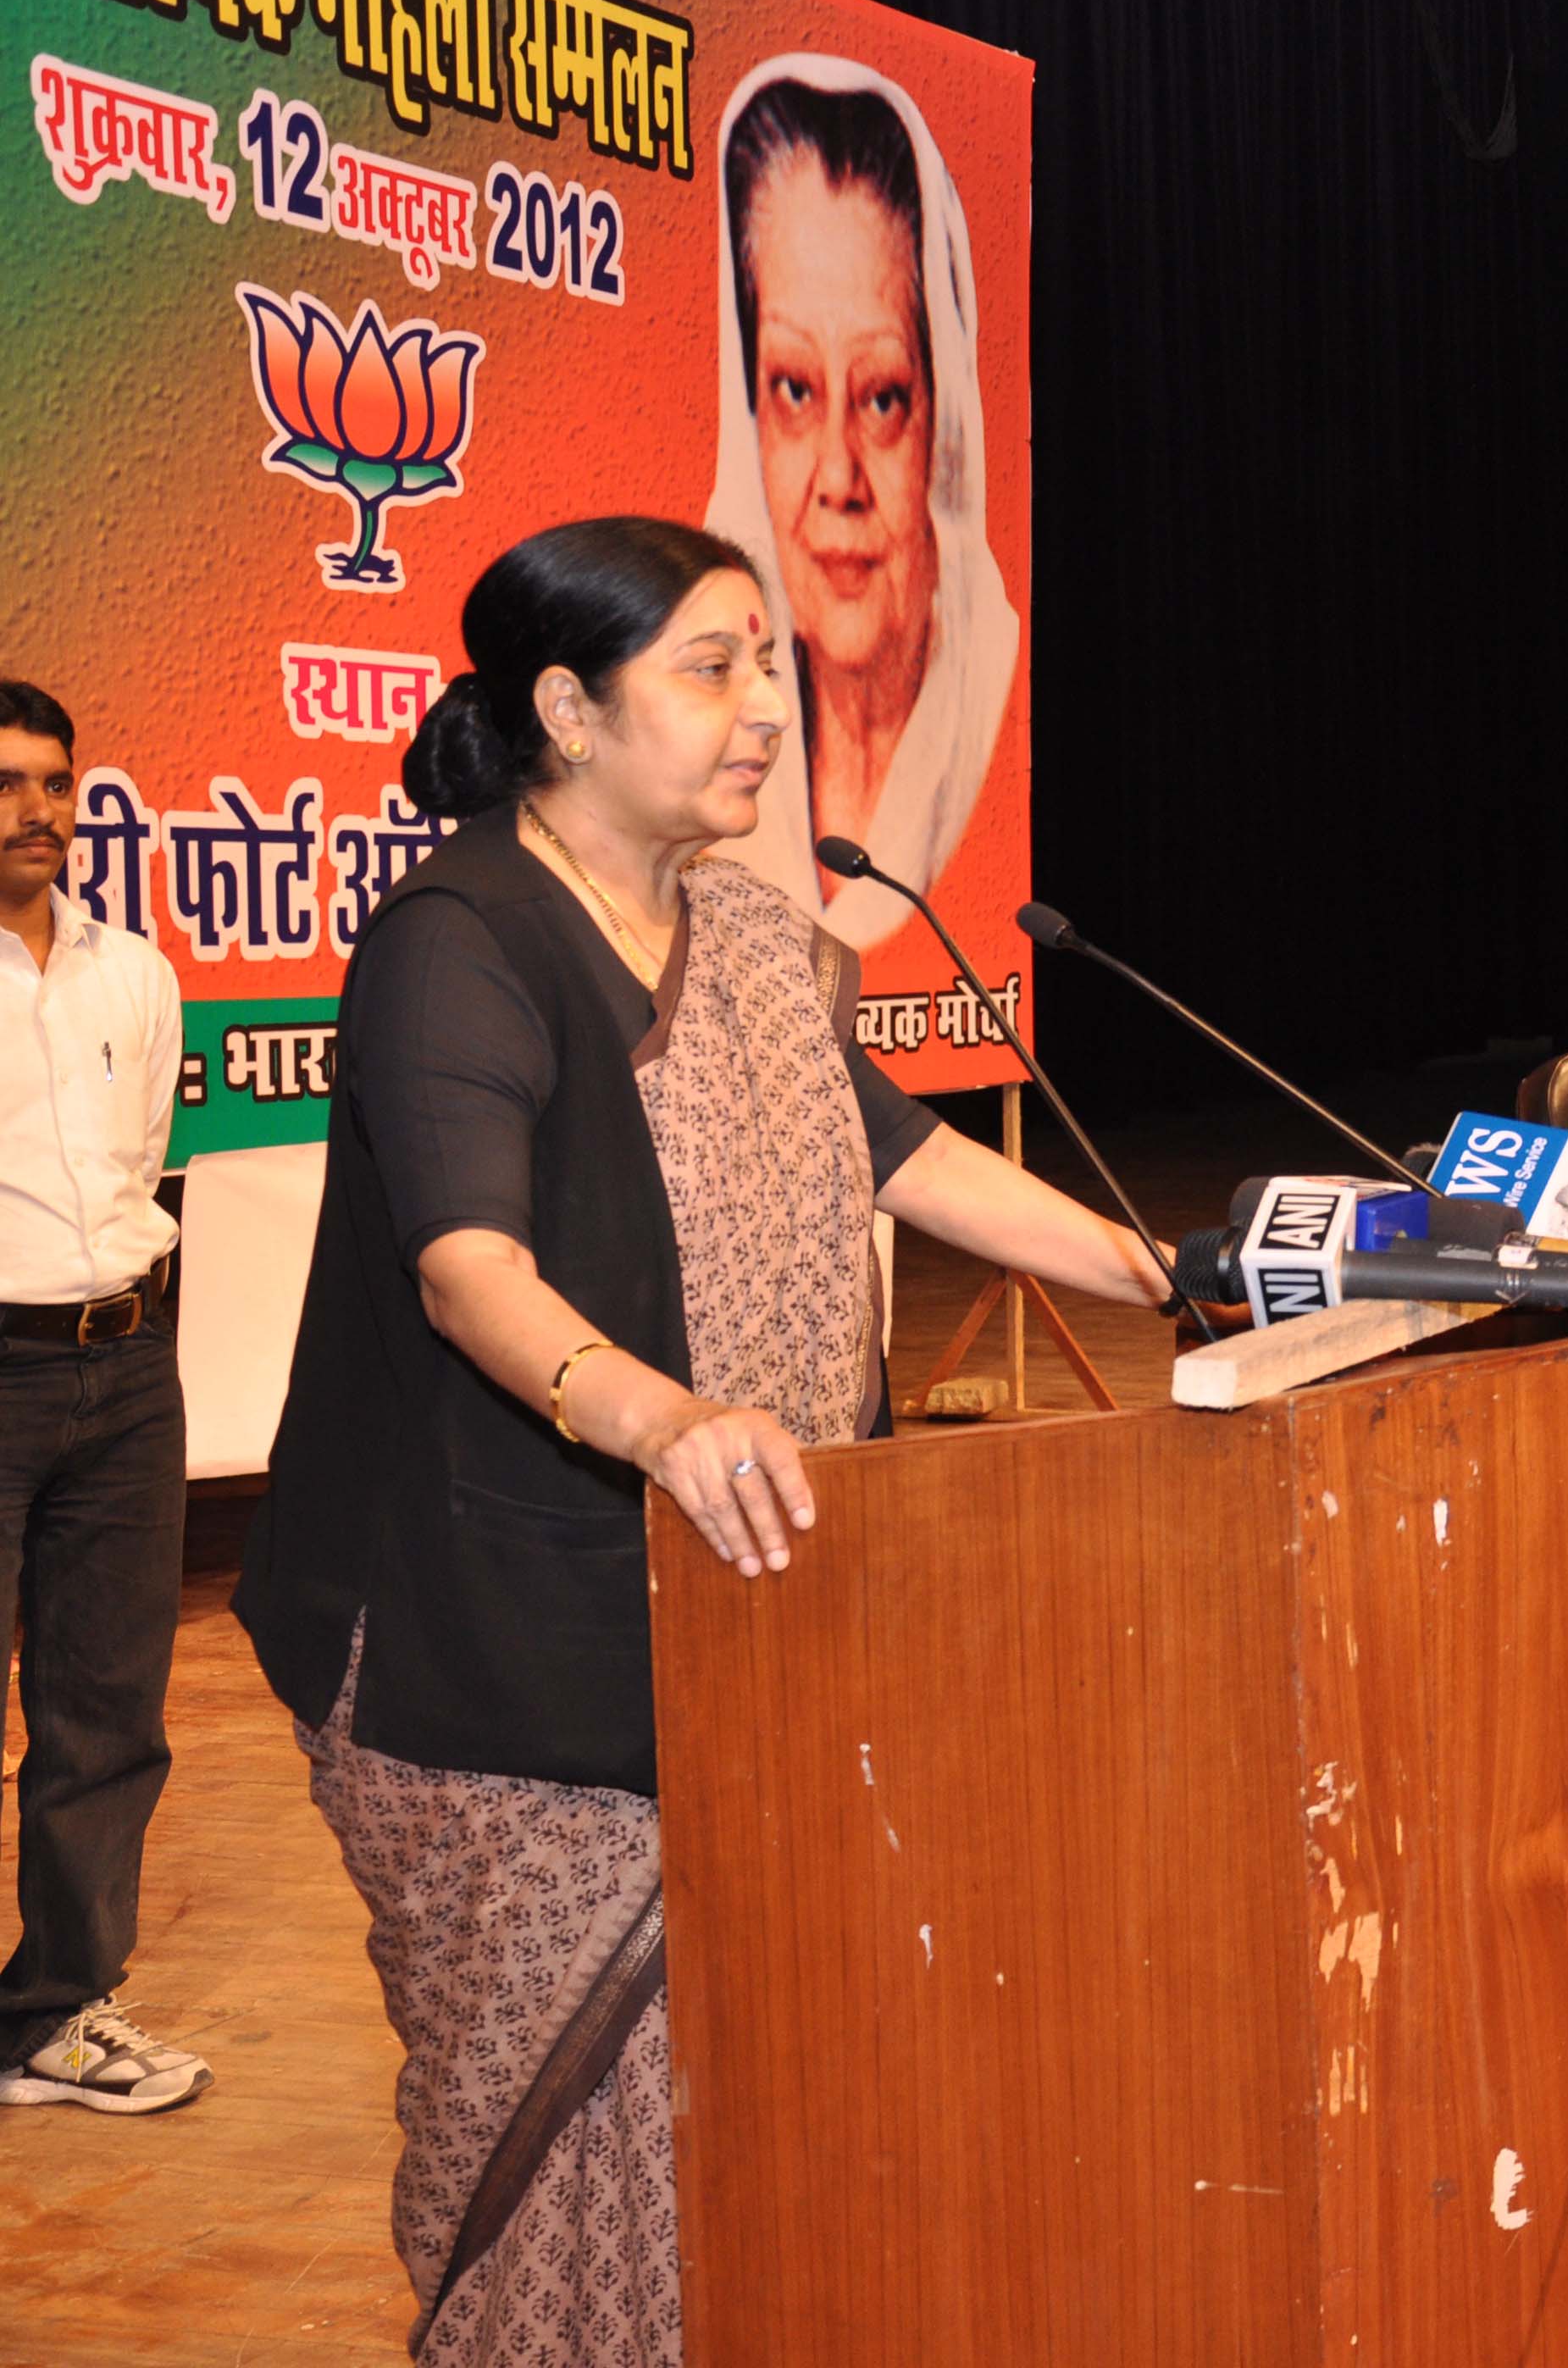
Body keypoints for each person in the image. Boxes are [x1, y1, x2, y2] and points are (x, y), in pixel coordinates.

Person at [231, 519, 1177, 2365]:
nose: (764, 713)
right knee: (557, 2124)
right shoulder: (461, 938)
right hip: (482, 1641)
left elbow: (903, 1155)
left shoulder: (754, 928)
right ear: (567, 709)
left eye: (768, 667)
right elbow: (465, 1268)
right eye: (714, 668)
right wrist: (664, 1419)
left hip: (735, 1595)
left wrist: (1174, 1267)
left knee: (745, 2120)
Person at [0, 679, 208, 2118]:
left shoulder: (133, 966)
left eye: (56, 780)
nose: (37, 809)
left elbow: (138, 1165)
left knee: (107, 1706)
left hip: (127, 1362)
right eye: (7, 781)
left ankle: (59, 2012)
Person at [708, 58, 1018, 952]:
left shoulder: (991, 700)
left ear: (943, 428)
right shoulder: (703, 751)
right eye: (796, 391)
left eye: (882, 397)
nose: (837, 477)